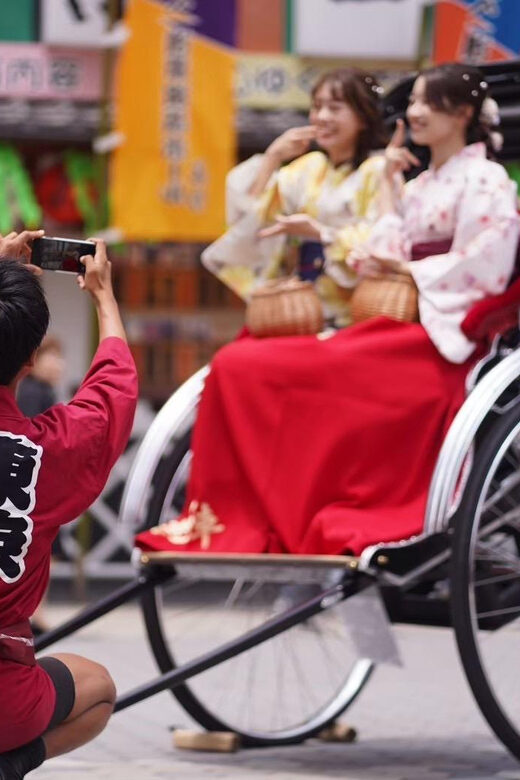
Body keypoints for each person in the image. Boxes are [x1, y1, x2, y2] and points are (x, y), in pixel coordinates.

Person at [136, 62, 519, 560]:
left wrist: (400, 269)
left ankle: (312, 512)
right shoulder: (418, 183)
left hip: (442, 324)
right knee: (238, 363)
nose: (416, 111)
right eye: (415, 101)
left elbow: (485, 263)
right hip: (383, 312)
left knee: (318, 368)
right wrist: (380, 209)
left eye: (429, 102)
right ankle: (243, 516)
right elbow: (378, 246)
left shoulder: (486, 178)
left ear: (464, 113)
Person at [0, 238, 138, 779]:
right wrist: (103, 297)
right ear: (32, 360)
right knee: (98, 688)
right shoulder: (47, 451)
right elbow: (113, 392)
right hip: (5, 701)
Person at [202, 67, 387, 327]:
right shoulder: (309, 167)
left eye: (335, 108)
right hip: (298, 307)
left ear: (363, 118)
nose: (322, 116)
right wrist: (273, 157)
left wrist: (322, 234)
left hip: (355, 309)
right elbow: (251, 218)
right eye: (317, 106)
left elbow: (385, 240)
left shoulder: (378, 170)